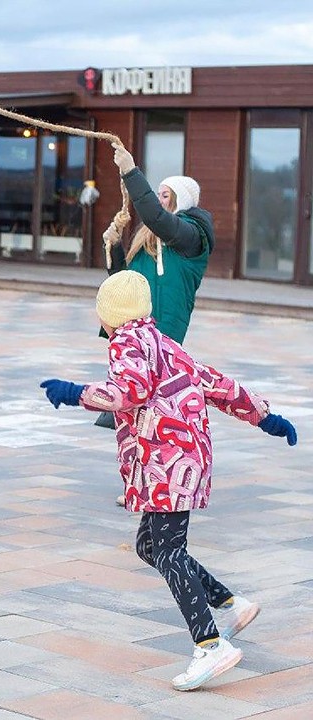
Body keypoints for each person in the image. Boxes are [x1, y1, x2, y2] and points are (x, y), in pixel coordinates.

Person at [40, 270, 297, 692]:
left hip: (165, 463)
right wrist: (265, 417)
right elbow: (217, 383)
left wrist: (75, 393)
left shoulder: (126, 342)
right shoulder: (164, 343)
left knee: (170, 551)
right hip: (184, 460)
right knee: (150, 547)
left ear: (110, 316)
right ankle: (229, 604)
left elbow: (129, 391)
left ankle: (210, 644)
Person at [102, 143, 215, 505]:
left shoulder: (192, 236)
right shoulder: (148, 242)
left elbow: (158, 218)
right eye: (158, 193)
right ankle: (137, 483)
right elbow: (125, 286)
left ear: (180, 200)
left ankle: (163, 481)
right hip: (134, 335)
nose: (159, 200)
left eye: (165, 195)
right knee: (131, 413)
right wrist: (115, 248)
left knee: (154, 412)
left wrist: (131, 172)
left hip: (163, 335)